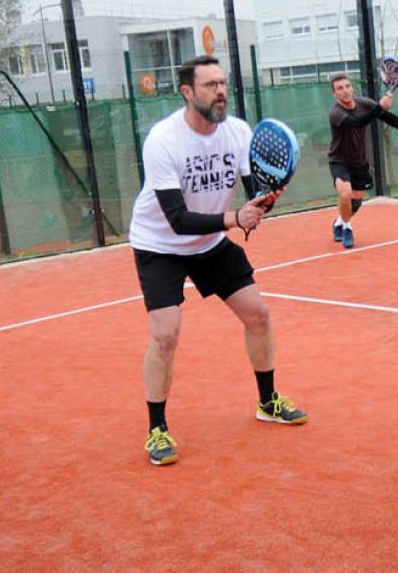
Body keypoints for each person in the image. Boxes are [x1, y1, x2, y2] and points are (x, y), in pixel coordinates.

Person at [129, 54, 307, 466]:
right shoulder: (163, 140)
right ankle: (157, 429)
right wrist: (234, 217)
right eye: (210, 85)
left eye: (223, 83)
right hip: (160, 245)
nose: (221, 91)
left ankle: (268, 403)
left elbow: (253, 198)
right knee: (165, 335)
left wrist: (265, 201)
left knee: (258, 314)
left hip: (210, 243)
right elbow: (176, 219)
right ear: (187, 92)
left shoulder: (239, 132)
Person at [327, 74, 398, 248]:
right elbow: (356, 122)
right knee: (345, 193)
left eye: (347, 86)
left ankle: (339, 222)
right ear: (334, 94)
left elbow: (389, 118)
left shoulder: (364, 104)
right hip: (339, 160)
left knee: (355, 203)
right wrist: (378, 108)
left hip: (359, 161)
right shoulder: (335, 113)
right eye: (340, 88)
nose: (345, 91)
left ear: (352, 88)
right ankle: (347, 228)